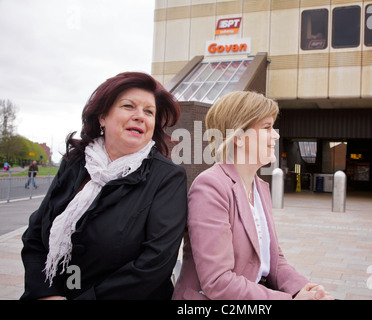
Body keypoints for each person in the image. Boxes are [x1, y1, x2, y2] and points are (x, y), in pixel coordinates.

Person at [21, 72, 187, 300]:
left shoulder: (167, 177)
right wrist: (46, 294)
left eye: (149, 111)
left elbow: (155, 263)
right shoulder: (74, 163)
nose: (140, 116)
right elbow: (34, 236)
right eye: (129, 106)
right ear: (102, 117)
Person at [173, 91, 333, 300]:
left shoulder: (259, 187)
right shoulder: (210, 187)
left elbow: (274, 259)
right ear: (238, 137)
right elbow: (218, 282)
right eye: (266, 127)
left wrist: (306, 289)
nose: (275, 135)